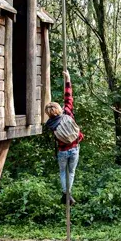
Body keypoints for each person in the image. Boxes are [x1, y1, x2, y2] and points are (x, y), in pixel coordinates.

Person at [44, 70, 84, 205]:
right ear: (58, 109)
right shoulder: (67, 112)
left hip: (62, 151)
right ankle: (67, 194)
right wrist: (68, 78)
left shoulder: (50, 124)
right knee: (71, 172)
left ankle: (66, 194)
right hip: (74, 148)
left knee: (63, 172)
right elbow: (68, 96)